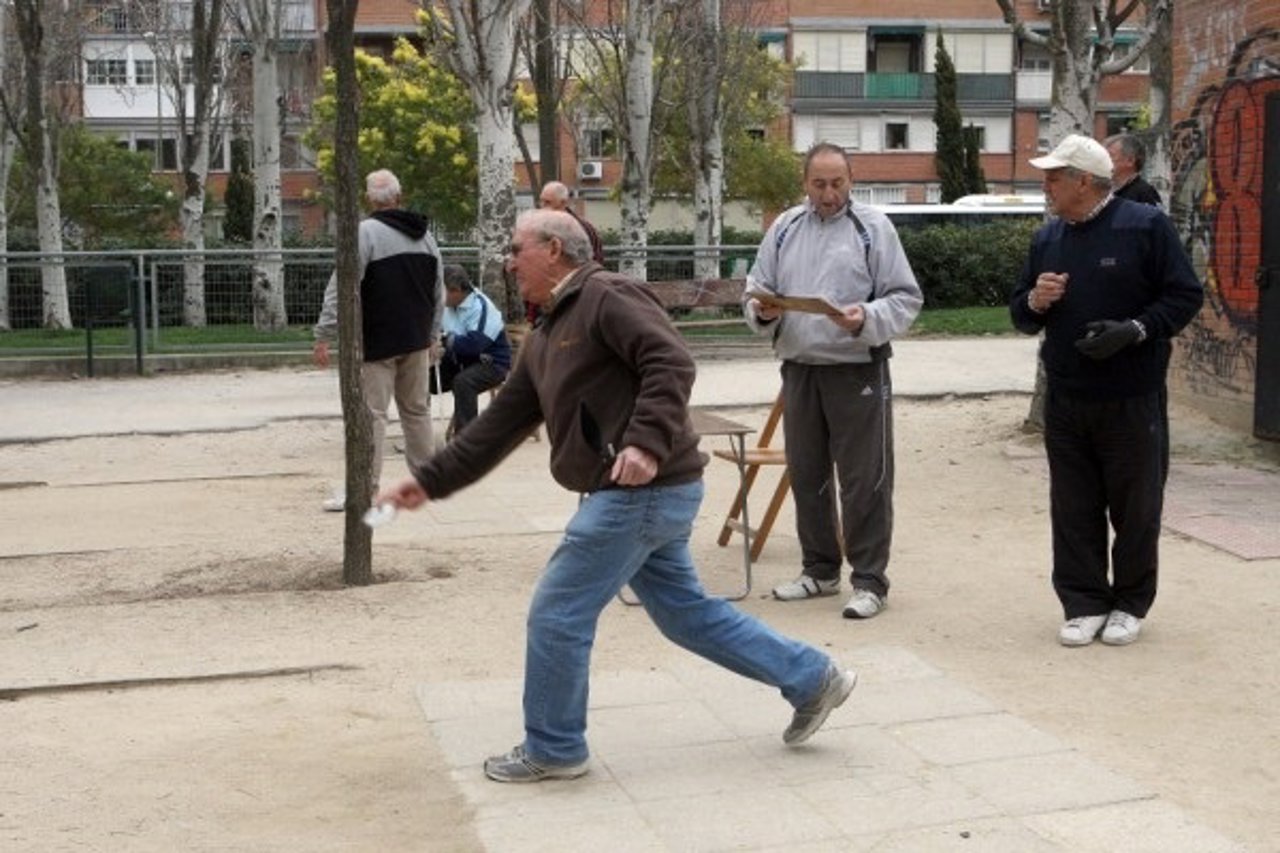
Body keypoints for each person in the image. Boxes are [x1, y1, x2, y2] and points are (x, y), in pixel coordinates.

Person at [377, 209, 856, 784]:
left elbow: (671, 361)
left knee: (558, 611)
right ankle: (813, 678)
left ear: (553, 250)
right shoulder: (548, 330)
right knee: (686, 616)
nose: (509, 261)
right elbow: (499, 425)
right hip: (644, 493)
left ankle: (554, 747)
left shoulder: (607, 295)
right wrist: (429, 481)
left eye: (517, 249)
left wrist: (645, 443)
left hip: (641, 491)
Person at [1010, 134, 1203, 647]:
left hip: (1131, 397)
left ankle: (1130, 604)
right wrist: (1035, 301)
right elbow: (1021, 316)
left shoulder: (1144, 226)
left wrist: (1135, 330)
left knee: (1136, 508)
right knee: (1073, 507)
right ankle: (1084, 602)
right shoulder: (1047, 238)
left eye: (1054, 177)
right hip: (1066, 398)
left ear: (1084, 182)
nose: (1046, 186)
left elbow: (1185, 295)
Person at [743, 142, 922, 620]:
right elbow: (755, 288)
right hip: (799, 367)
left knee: (865, 479)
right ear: (804, 182)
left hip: (857, 367)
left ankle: (869, 580)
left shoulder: (874, 228)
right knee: (807, 474)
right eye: (819, 184)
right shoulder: (784, 227)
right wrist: (762, 310)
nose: (828, 194)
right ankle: (820, 570)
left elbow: (906, 297)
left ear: (851, 180)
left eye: (837, 183)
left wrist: (866, 316)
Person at [313, 169, 444, 511]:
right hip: (416, 339)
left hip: (377, 341)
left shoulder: (364, 233)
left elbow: (342, 285)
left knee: (372, 416)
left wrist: (324, 332)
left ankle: (363, 490)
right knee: (417, 411)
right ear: (399, 197)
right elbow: (439, 291)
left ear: (369, 199)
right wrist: (433, 334)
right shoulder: (426, 238)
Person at [435, 264, 512, 436]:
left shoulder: (481, 307)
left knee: (464, 382)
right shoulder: (447, 305)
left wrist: (444, 339)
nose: (438, 296)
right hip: (461, 360)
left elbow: (474, 345)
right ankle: (418, 434)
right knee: (420, 376)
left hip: (492, 363)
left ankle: (466, 438)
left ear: (456, 290)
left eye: (441, 291)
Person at [538, 181, 605, 263]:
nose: (542, 206)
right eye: (541, 201)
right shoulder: (539, 227)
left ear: (563, 203)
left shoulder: (582, 228)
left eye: (547, 202)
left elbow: (595, 260)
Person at [1104, 133, 1162, 207]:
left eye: (1110, 155)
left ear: (1130, 161)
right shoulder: (1103, 191)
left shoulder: (1145, 193)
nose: (1103, 160)